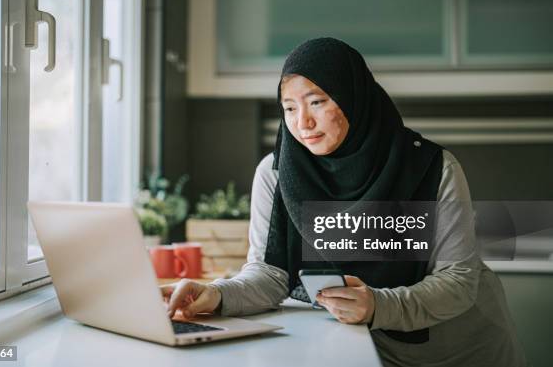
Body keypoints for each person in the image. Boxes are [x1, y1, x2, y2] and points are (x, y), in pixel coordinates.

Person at [161, 38, 526, 366]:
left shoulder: (431, 168)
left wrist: (379, 305)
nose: (302, 122)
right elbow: (270, 275)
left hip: (452, 351)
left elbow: (458, 280)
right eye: (289, 108)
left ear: (353, 97)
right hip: (356, 347)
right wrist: (215, 295)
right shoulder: (275, 173)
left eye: (317, 102)